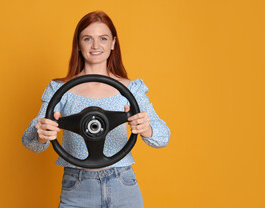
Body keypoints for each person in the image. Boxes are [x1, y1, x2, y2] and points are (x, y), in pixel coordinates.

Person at [22, 11, 170, 207]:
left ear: (113, 43)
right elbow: (30, 142)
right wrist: (41, 132)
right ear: (78, 44)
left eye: (103, 38)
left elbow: (163, 137)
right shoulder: (59, 89)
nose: (95, 45)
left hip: (123, 184)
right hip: (77, 186)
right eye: (87, 38)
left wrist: (146, 128)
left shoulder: (131, 89)